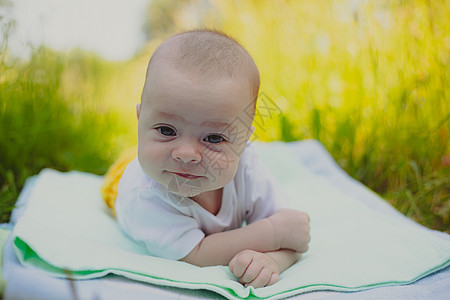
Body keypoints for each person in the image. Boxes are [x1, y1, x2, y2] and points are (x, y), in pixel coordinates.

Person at [114, 29, 310, 288]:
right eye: (166, 130)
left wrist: (274, 261)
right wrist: (271, 235)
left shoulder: (246, 167)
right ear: (140, 121)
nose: (186, 154)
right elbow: (196, 254)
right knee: (117, 175)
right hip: (118, 183)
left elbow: (293, 234)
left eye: (214, 138)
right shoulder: (144, 194)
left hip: (160, 163)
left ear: (243, 142)